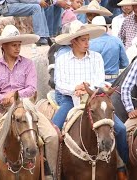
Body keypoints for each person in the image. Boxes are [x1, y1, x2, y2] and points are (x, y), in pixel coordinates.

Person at [0, 25, 59, 180]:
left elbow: (31, 89)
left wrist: (15, 96)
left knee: (52, 136)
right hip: (3, 110)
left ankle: (50, 174)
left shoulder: (28, 64)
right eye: (14, 45)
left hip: (26, 108)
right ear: (3, 46)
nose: (18, 48)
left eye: (19, 45)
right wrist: (3, 99)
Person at [53, 20, 128, 178]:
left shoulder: (96, 57)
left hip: (95, 99)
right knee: (54, 131)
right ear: (73, 41)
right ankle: (54, 170)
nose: (87, 43)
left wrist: (87, 87)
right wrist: (75, 88)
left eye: (88, 39)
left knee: (121, 129)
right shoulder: (62, 59)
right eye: (83, 40)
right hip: (70, 100)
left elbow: (100, 80)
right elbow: (59, 84)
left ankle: (123, 166)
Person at [90, 16, 129, 83]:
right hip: (113, 81)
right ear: (106, 28)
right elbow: (125, 63)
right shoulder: (116, 41)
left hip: (94, 81)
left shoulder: (88, 43)